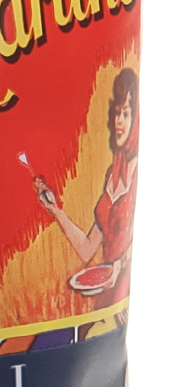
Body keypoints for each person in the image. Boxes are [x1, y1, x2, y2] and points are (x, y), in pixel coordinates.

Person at [34, 66, 137, 303]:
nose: (119, 122)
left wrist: (119, 266)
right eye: (117, 113)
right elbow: (87, 249)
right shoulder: (112, 174)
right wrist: (55, 209)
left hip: (119, 290)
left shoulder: (139, 169)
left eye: (126, 114)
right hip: (103, 293)